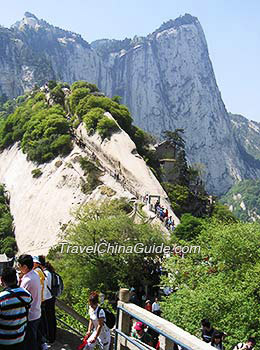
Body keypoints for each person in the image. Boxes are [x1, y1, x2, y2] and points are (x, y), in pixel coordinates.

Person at [0, 267, 32, 350]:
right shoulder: (26, 294)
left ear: (2, 280)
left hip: (3, 341)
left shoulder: (2, 298)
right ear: (16, 279)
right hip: (20, 338)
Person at [18, 254, 41, 350]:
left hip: (30, 315)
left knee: (30, 343)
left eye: (19, 266)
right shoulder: (35, 274)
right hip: (36, 312)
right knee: (34, 339)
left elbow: (20, 297)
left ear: (25, 267)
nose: (19, 268)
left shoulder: (27, 280)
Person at [39, 256, 57, 344]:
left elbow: (44, 288)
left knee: (48, 320)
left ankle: (50, 337)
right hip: (52, 298)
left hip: (47, 299)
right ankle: (53, 336)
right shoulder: (50, 272)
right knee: (52, 318)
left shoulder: (45, 273)